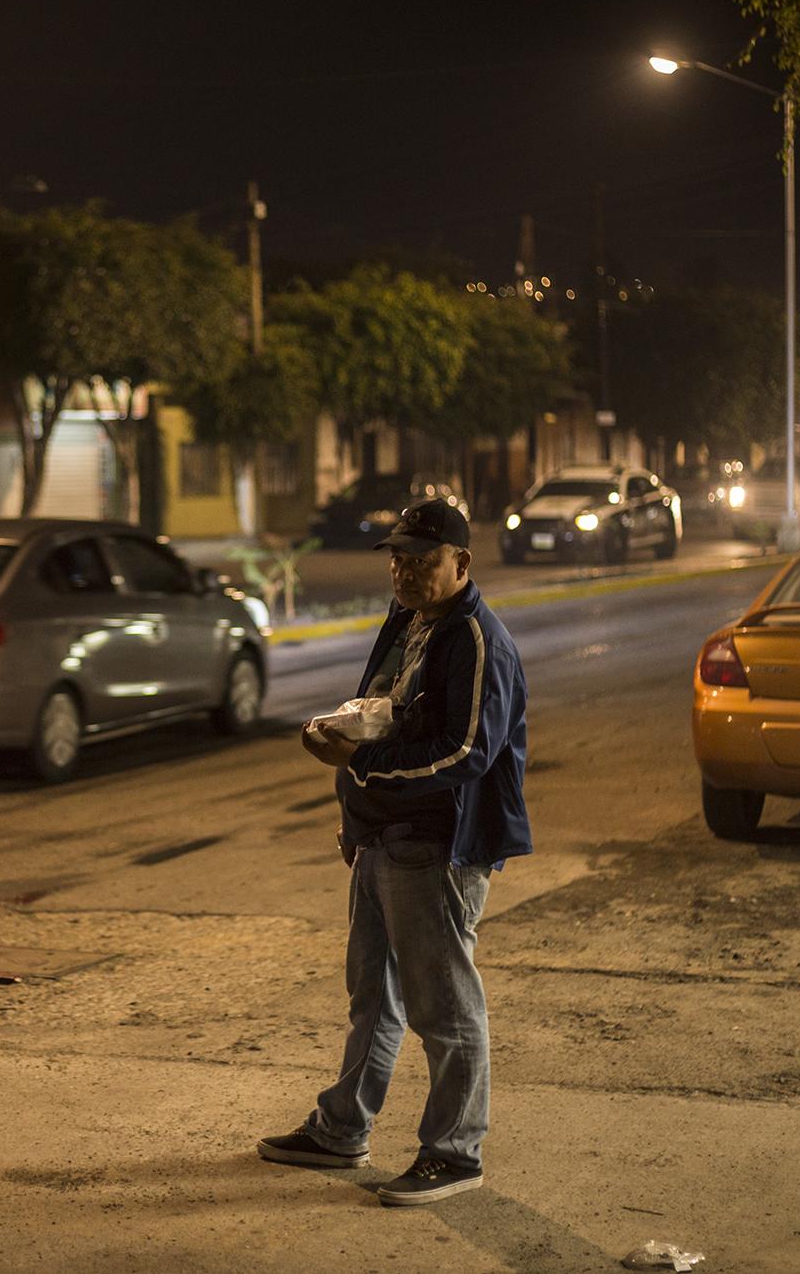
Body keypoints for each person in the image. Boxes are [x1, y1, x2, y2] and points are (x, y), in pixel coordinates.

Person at [258, 497, 531, 1207]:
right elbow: (377, 710)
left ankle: (455, 1151)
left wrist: (362, 768)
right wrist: (348, 777)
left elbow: (467, 750)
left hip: (436, 847)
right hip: (383, 839)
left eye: (424, 559)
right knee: (372, 997)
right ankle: (342, 1128)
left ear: (462, 564)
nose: (405, 571)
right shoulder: (409, 622)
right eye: (399, 557)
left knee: (444, 1007)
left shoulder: (474, 637)